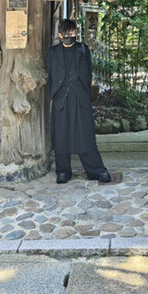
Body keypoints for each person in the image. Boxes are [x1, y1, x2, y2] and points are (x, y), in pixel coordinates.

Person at [46, 18, 111, 184]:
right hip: (61, 98)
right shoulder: (53, 52)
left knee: (85, 134)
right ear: (60, 34)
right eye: (67, 34)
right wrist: (53, 94)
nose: (70, 36)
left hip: (80, 97)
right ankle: (63, 171)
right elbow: (50, 75)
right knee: (61, 135)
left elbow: (89, 73)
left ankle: (96, 170)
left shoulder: (83, 50)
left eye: (73, 33)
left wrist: (84, 92)